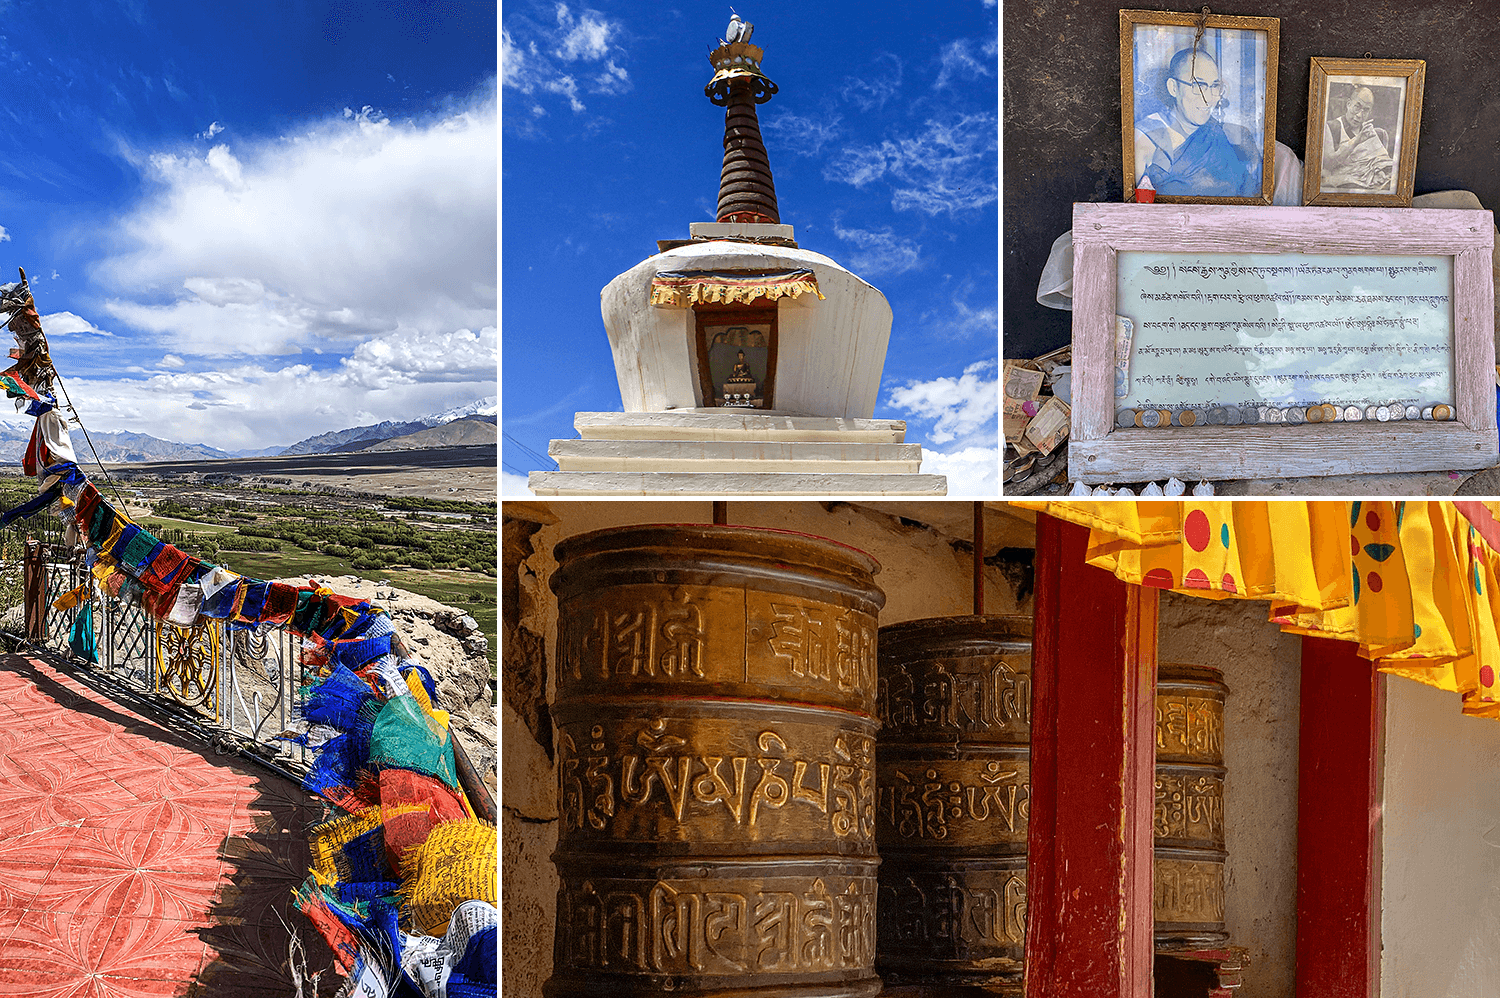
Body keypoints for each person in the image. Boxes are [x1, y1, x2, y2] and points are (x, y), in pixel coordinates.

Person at [1134, 47, 1261, 197]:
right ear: (1173, 88)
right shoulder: (1147, 138)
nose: (1208, 98)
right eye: (1198, 86)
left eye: (1214, 86)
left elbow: (1250, 191)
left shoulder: (1220, 133)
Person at [1321, 87, 1394, 191]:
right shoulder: (1332, 127)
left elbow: (1382, 161)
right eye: (1357, 107)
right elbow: (1327, 165)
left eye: (1366, 110)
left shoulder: (1369, 131)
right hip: (1346, 185)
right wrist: (1356, 141)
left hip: (1373, 185)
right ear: (1348, 104)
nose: (1359, 115)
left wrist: (1381, 172)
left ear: (1370, 112)